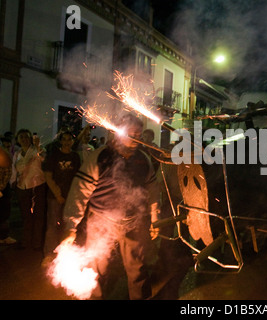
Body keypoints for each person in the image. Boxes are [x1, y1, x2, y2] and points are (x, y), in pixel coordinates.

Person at [61, 114, 161, 300]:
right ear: (119, 133)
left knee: (137, 268)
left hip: (133, 222)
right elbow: (80, 191)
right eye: (131, 135)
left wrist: (155, 219)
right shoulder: (100, 156)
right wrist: (71, 227)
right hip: (101, 221)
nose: (135, 140)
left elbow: (153, 190)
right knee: (97, 268)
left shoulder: (143, 159)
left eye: (138, 135)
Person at [41, 131, 81, 266]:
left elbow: (78, 177)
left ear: (72, 141)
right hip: (54, 197)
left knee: (67, 226)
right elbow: (48, 176)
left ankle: (64, 254)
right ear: (60, 141)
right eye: (64, 139)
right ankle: (49, 255)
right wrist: (58, 194)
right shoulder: (53, 156)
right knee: (52, 226)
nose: (67, 142)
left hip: (70, 197)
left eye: (69, 139)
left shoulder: (75, 157)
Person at [10, 129, 46, 251]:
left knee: (38, 215)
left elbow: (43, 158)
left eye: (26, 137)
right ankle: (26, 241)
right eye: (21, 137)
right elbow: (15, 170)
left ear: (30, 138)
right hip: (22, 186)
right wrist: (13, 183)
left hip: (38, 185)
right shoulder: (17, 154)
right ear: (18, 140)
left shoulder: (37, 150)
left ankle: (36, 242)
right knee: (26, 216)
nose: (24, 139)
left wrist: (38, 147)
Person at [0, 145, 16, 244]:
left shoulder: (3, 155)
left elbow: (7, 171)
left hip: (3, 189)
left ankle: (4, 236)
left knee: (4, 214)